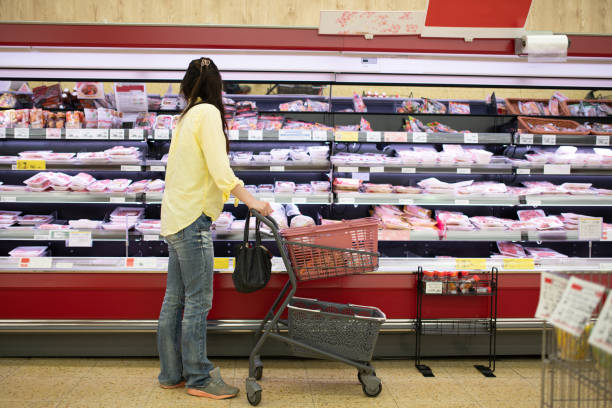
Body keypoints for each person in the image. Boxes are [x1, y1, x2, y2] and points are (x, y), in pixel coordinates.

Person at [158, 57, 272, 400]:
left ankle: (171, 373)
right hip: (192, 220)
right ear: (216, 88)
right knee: (197, 301)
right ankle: (198, 378)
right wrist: (250, 199)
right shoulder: (207, 113)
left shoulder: (186, 117)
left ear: (186, 85)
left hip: (175, 217)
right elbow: (220, 169)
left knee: (174, 300)